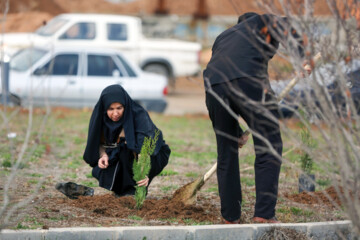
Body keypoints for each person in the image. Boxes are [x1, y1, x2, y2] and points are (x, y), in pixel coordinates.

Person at [203, 12, 310, 224]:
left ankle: (230, 216)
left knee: (227, 151)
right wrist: (302, 60)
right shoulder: (262, 21)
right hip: (250, 80)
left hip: (213, 84)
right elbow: (288, 26)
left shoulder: (225, 36)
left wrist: (235, 134)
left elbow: (224, 75)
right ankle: (263, 214)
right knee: (269, 145)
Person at [83, 84, 171, 197]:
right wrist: (103, 155)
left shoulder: (138, 116)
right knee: (110, 163)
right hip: (124, 151)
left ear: (125, 106)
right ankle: (122, 191)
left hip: (152, 154)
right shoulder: (101, 118)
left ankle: (133, 191)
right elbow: (99, 143)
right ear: (105, 108)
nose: (115, 113)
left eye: (119, 108)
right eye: (111, 109)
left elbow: (145, 150)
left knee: (125, 150)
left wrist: (145, 173)